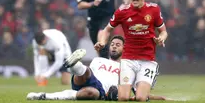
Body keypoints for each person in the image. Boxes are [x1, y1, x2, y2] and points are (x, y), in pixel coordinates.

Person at [27, 36, 167, 101]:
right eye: (112, 44)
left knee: (90, 93)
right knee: (87, 71)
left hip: (101, 91)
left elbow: (138, 94)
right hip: (86, 77)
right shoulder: (98, 59)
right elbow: (88, 75)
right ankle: (75, 65)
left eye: (118, 44)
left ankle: (43, 96)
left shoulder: (128, 68)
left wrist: (159, 98)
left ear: (125, 49)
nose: (114, 46)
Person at [94, 0, 168, 101]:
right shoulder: (122, 11)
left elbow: (163, 31)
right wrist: (102, 42)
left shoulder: (154, 9)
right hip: (128, 59)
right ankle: (139, 93)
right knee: (123, 97)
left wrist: (161, 39)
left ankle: (144, 94)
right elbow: (107, 29)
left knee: (140, 98)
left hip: (147, 60)